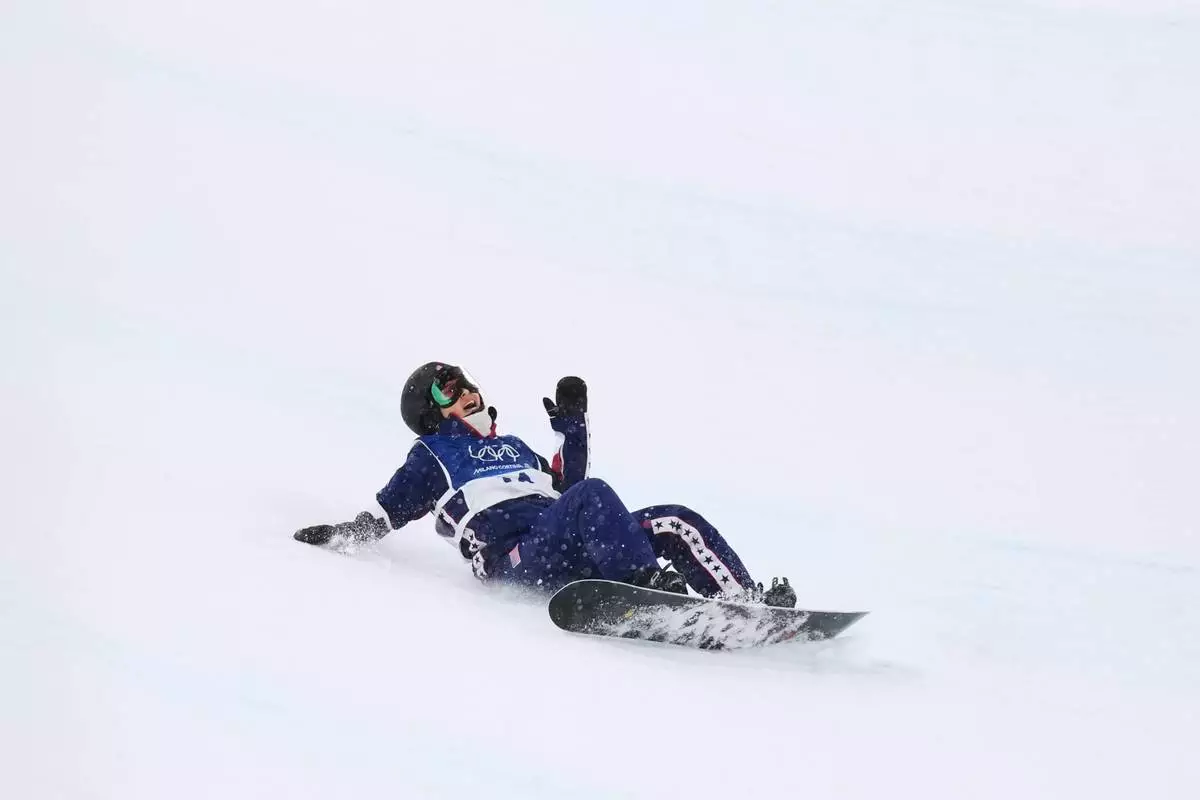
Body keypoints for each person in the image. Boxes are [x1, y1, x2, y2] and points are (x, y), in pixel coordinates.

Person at [294, 362, 796, 608]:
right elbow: (391, 509)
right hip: (513, 555)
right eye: (450, 389)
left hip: (565, 539)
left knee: (673, 519)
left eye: (468, 383)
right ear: (430, 413)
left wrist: (573, 424)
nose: (467, 392)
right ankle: (645, 589)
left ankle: (743, 603)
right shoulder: (435, 454)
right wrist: (347, 534)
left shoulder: (513, 446)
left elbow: (566, 490)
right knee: (592, 495)